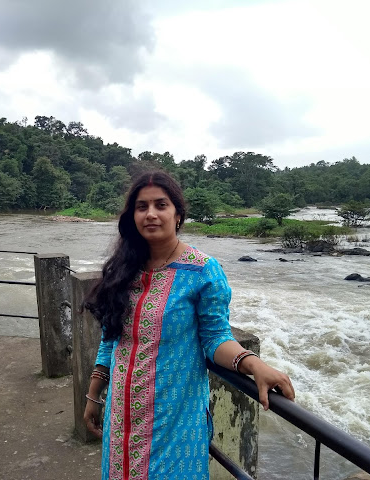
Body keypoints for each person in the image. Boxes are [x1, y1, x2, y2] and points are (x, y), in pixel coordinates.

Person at [84, 171, 295, 479]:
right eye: (142, 207)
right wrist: (94, 395)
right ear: (133, 216)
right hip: (122, 418)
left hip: (174, 423)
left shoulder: (202, 272)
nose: (151, 214)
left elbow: (215, 337)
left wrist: (252, 364)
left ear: (178, 214)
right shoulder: (123, 269)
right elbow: (111, 337)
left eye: (161, 205)